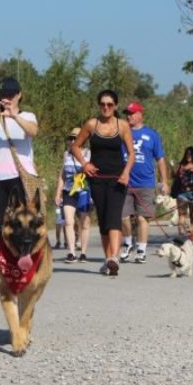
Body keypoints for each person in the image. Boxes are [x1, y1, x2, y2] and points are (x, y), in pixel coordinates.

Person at [72, 90, 135, 276]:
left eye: (109, 104)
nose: (106, 108)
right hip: (97, 179)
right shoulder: (92, 124)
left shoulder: (122, 125)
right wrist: (84, 164)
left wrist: (126, 173)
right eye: (102, 104)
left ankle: (114, 257)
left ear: (115, 106)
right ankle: (108, 260)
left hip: (117, 179)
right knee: (103, 218)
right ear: (99, 105)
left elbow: (131, 153)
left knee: (114, 215)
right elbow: (75, 145)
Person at [0, 77, 38, 256]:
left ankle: (23, 254)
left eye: (11, 95)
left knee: (22, 221)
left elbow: (33, 131)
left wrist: (14, 115)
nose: (7, 99)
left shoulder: (27, 116)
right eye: (4, 95)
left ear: (19, 95)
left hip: (21, 177)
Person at [119, 101, 169, 264]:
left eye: (132, 113)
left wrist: (164, 182)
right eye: (127, 113)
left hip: (146, 182)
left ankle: (141, 249)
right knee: (124, 216)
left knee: (142, 218)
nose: (129, 116)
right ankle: (127, 244)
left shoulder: (152, 135)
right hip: (126, 182)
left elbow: (160, 159)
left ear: (140, 114)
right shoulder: (122, 133)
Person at [54, 127, 91, 263]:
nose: (72, 140)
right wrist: (58, 194)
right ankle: (71, 252)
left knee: (85, 222)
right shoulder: (66, 155)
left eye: (75, 138)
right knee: (68, 221)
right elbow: (62, 175)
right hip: (69, 191)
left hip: (83, 191)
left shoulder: (88, 154)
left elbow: (93, 173)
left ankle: (83, 252)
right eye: (70, 138)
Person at [173, 146, 193, 237]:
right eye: (187, 154)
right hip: (182, 193)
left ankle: (192, 236)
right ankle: (181, 234)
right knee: (182, 214)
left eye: (191, 154)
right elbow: (175, 175)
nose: (189, 156)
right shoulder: (181, 165)